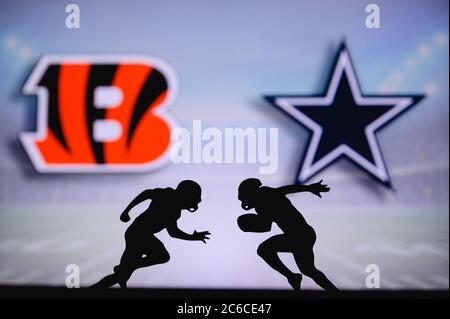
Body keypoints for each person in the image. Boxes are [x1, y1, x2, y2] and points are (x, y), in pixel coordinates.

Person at [92, 180, 210, 288]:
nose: (191, 205)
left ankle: (95, 289)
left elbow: (173, 232)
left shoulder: (175, 211)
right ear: (184, 195)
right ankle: (127, 268)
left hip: (140, 235)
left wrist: (192, 237)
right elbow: (147, 193)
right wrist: (126, 211)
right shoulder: (166, 195)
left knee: (121, 276)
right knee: (161, 256)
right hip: (138, 234)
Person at [237, 178, 338, 291]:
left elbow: (265, 226)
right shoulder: (263, 198)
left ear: (251, 194)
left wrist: (246, 224)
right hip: (302, 234)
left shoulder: (264, 196)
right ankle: (334, 292)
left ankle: (292, 277)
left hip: (298, 236)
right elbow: (285, 190)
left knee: (264, 250)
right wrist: (308, 188)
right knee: (308, 270)